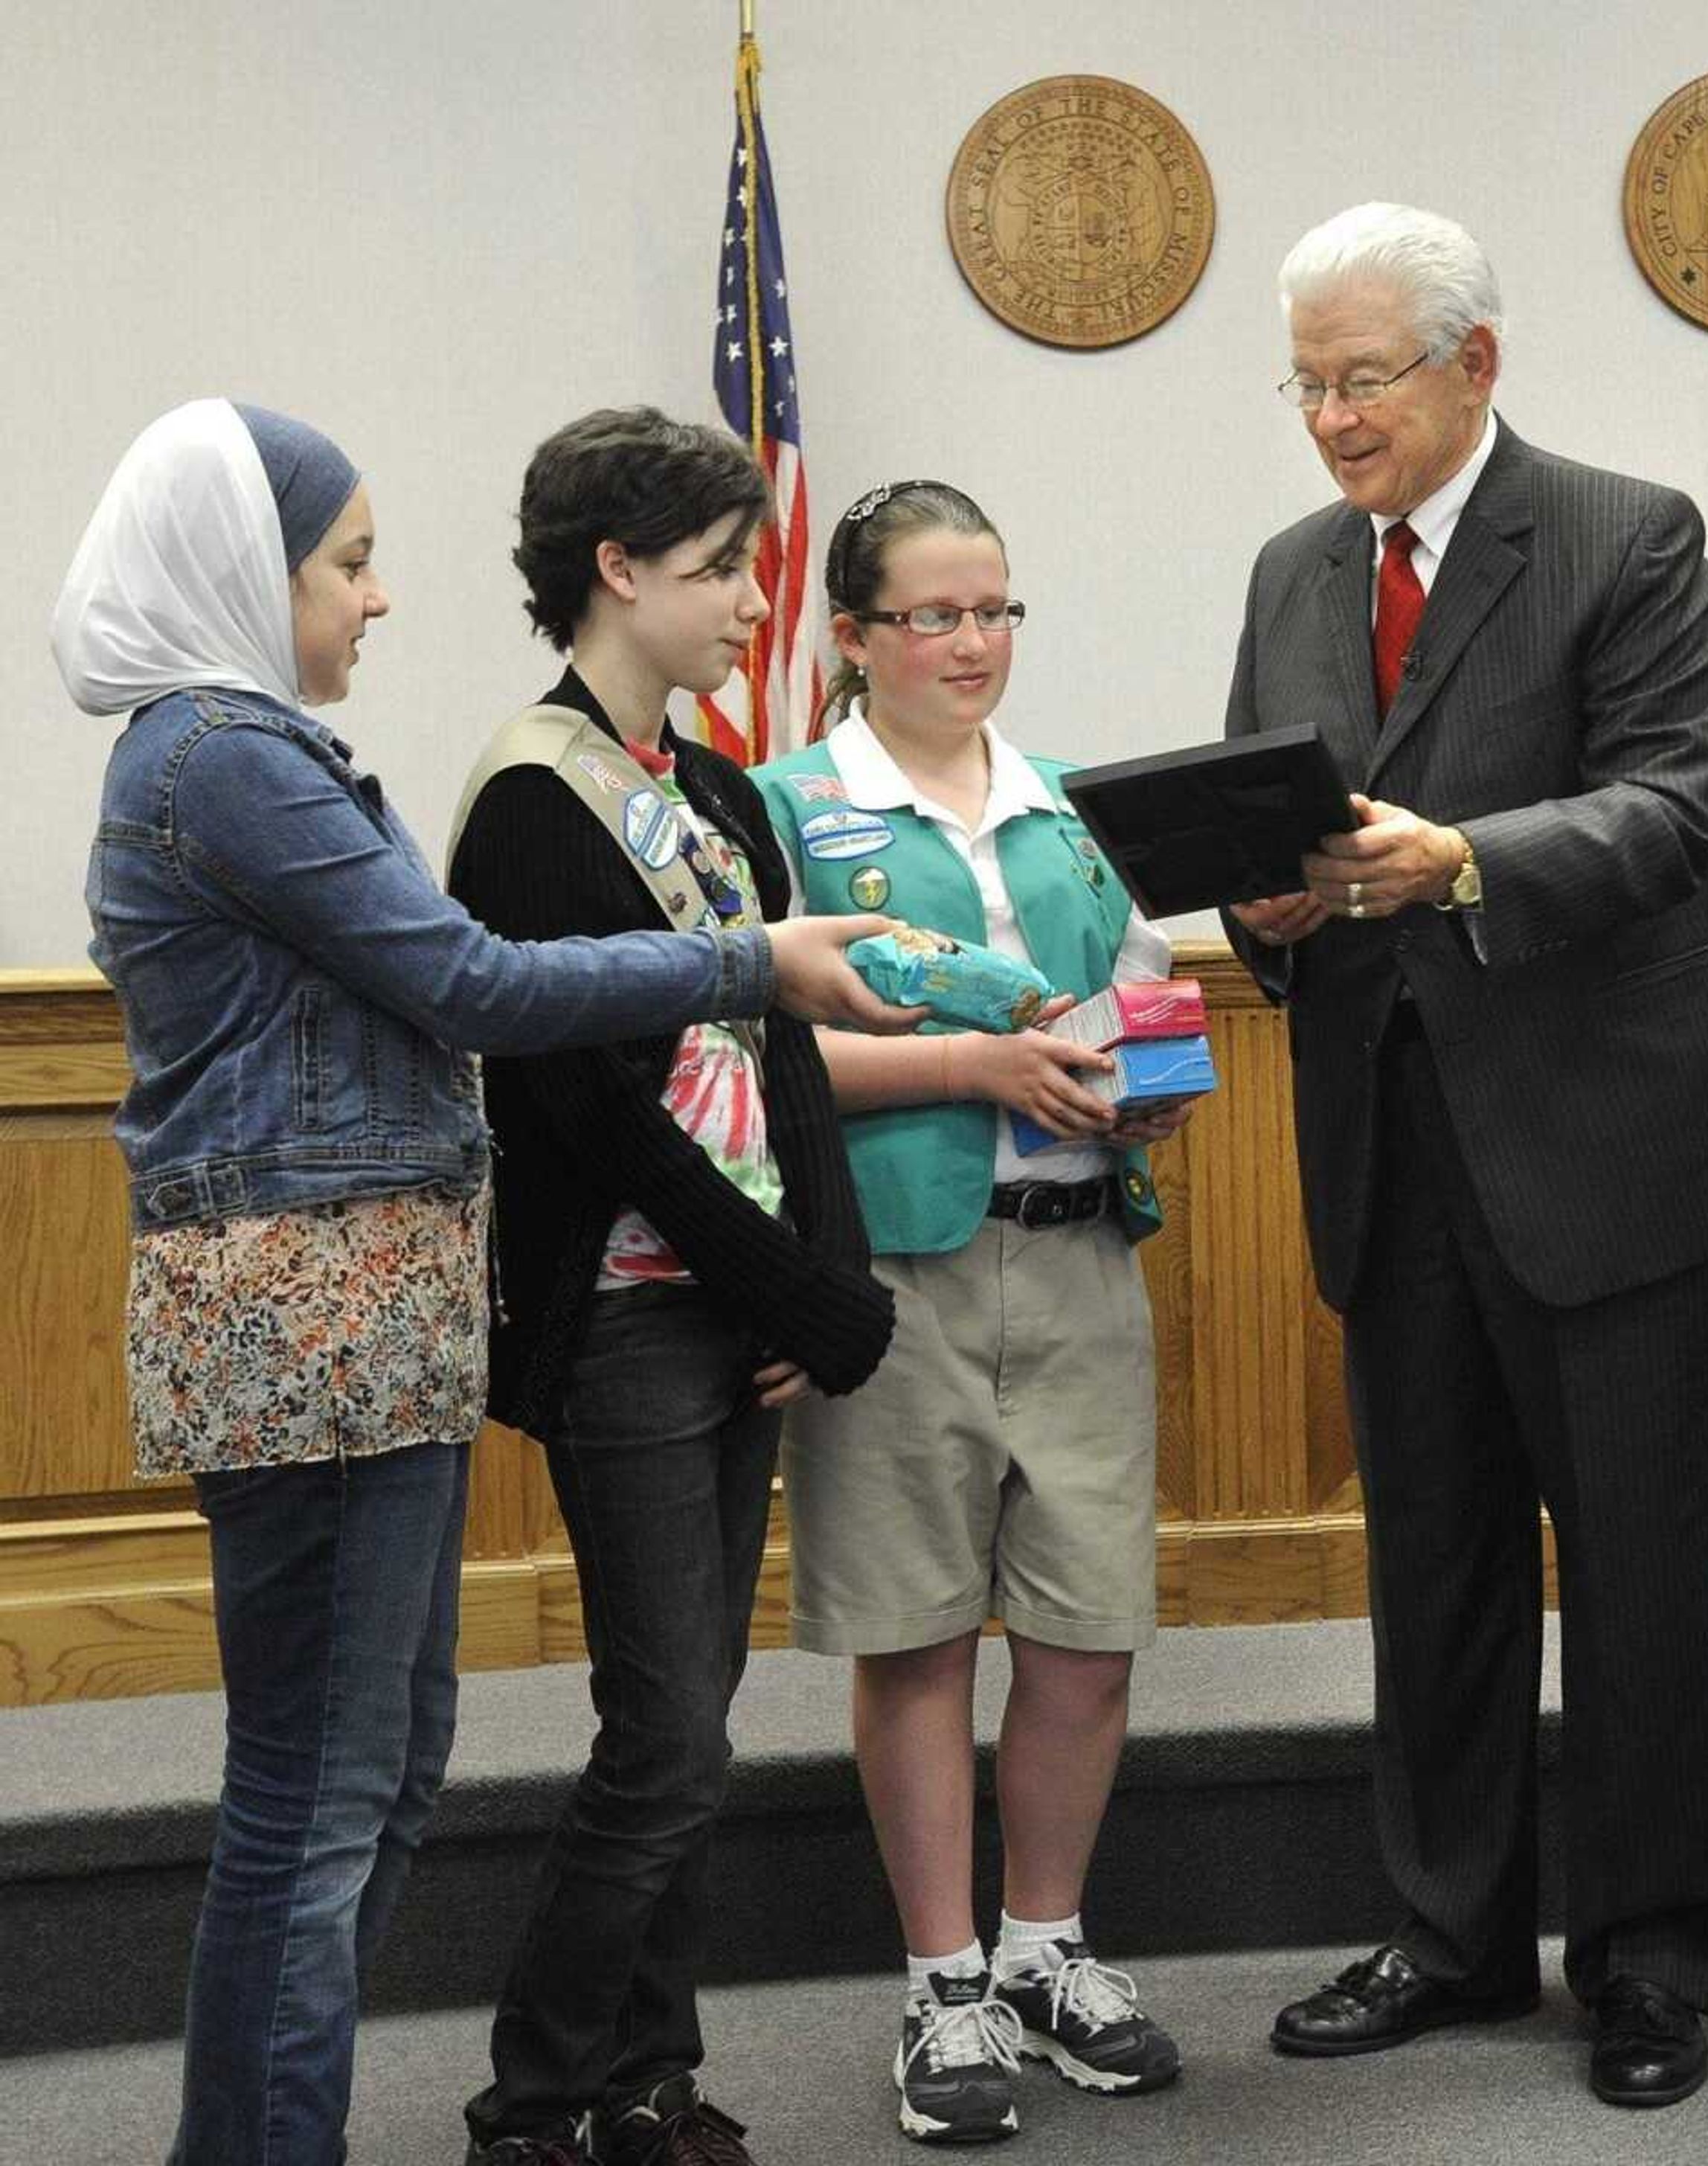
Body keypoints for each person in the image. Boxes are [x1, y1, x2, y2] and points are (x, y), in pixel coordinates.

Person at [51, 399, 912, 2166]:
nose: (377, 600)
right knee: (322, 1798)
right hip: (323, 1319)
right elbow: (466, 978)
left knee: (371, 1776)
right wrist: (754, 956)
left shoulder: (225, 745)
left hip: (358, 1315)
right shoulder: (223, 748)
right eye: (347, 564)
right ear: (239, 573)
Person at [1223, 202, 1708, 2109]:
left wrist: (1465, 857)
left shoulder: (1629, 537)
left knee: (1637, 1572)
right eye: (1305, 382)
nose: (1328, 418)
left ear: (1475, 363)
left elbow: (1670, 804)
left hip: (1608, 1141)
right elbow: (1265, 821)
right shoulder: (1296, 570)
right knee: (1437, 1561)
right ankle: (1454, 1933)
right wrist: (1265, 915)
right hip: (1389, 1143)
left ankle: (1649, 1957)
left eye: (1359, 376)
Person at [446, 408, 902, 2166]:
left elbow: (778, 1054)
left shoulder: (714, 787)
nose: (750, 601)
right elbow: (595, 1119)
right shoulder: (533, 800)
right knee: (660, 1737)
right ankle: (536, 2093)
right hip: (631, 1314)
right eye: (719, 570)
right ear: (615, 573)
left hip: (743, 1300)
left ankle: (651, 2077)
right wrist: (788, 1286)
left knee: (696, 1725)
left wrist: (817, 1277)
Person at [750, 479, 1190, 2147]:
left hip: (1078, 1252)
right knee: (919, 1625)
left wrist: (1149, 1084)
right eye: (932, 615)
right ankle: (941, 1980)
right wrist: (973, 1064)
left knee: (1088, 1630)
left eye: (996, 609)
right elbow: (752, 1052)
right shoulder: (785, 808)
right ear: (851, 638)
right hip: (896, 1273)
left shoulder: (1069, 804)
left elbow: (1139, 996)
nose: (972, 644)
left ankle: (1046, 1949)